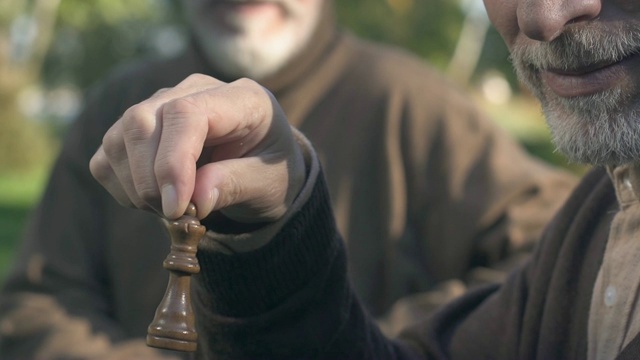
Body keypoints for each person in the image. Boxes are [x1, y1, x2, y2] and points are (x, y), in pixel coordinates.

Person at [0, 0, 575, 358]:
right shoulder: (121, 104)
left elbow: (557, 259)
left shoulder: (411, 101)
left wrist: (347, 340)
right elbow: (35, 304)